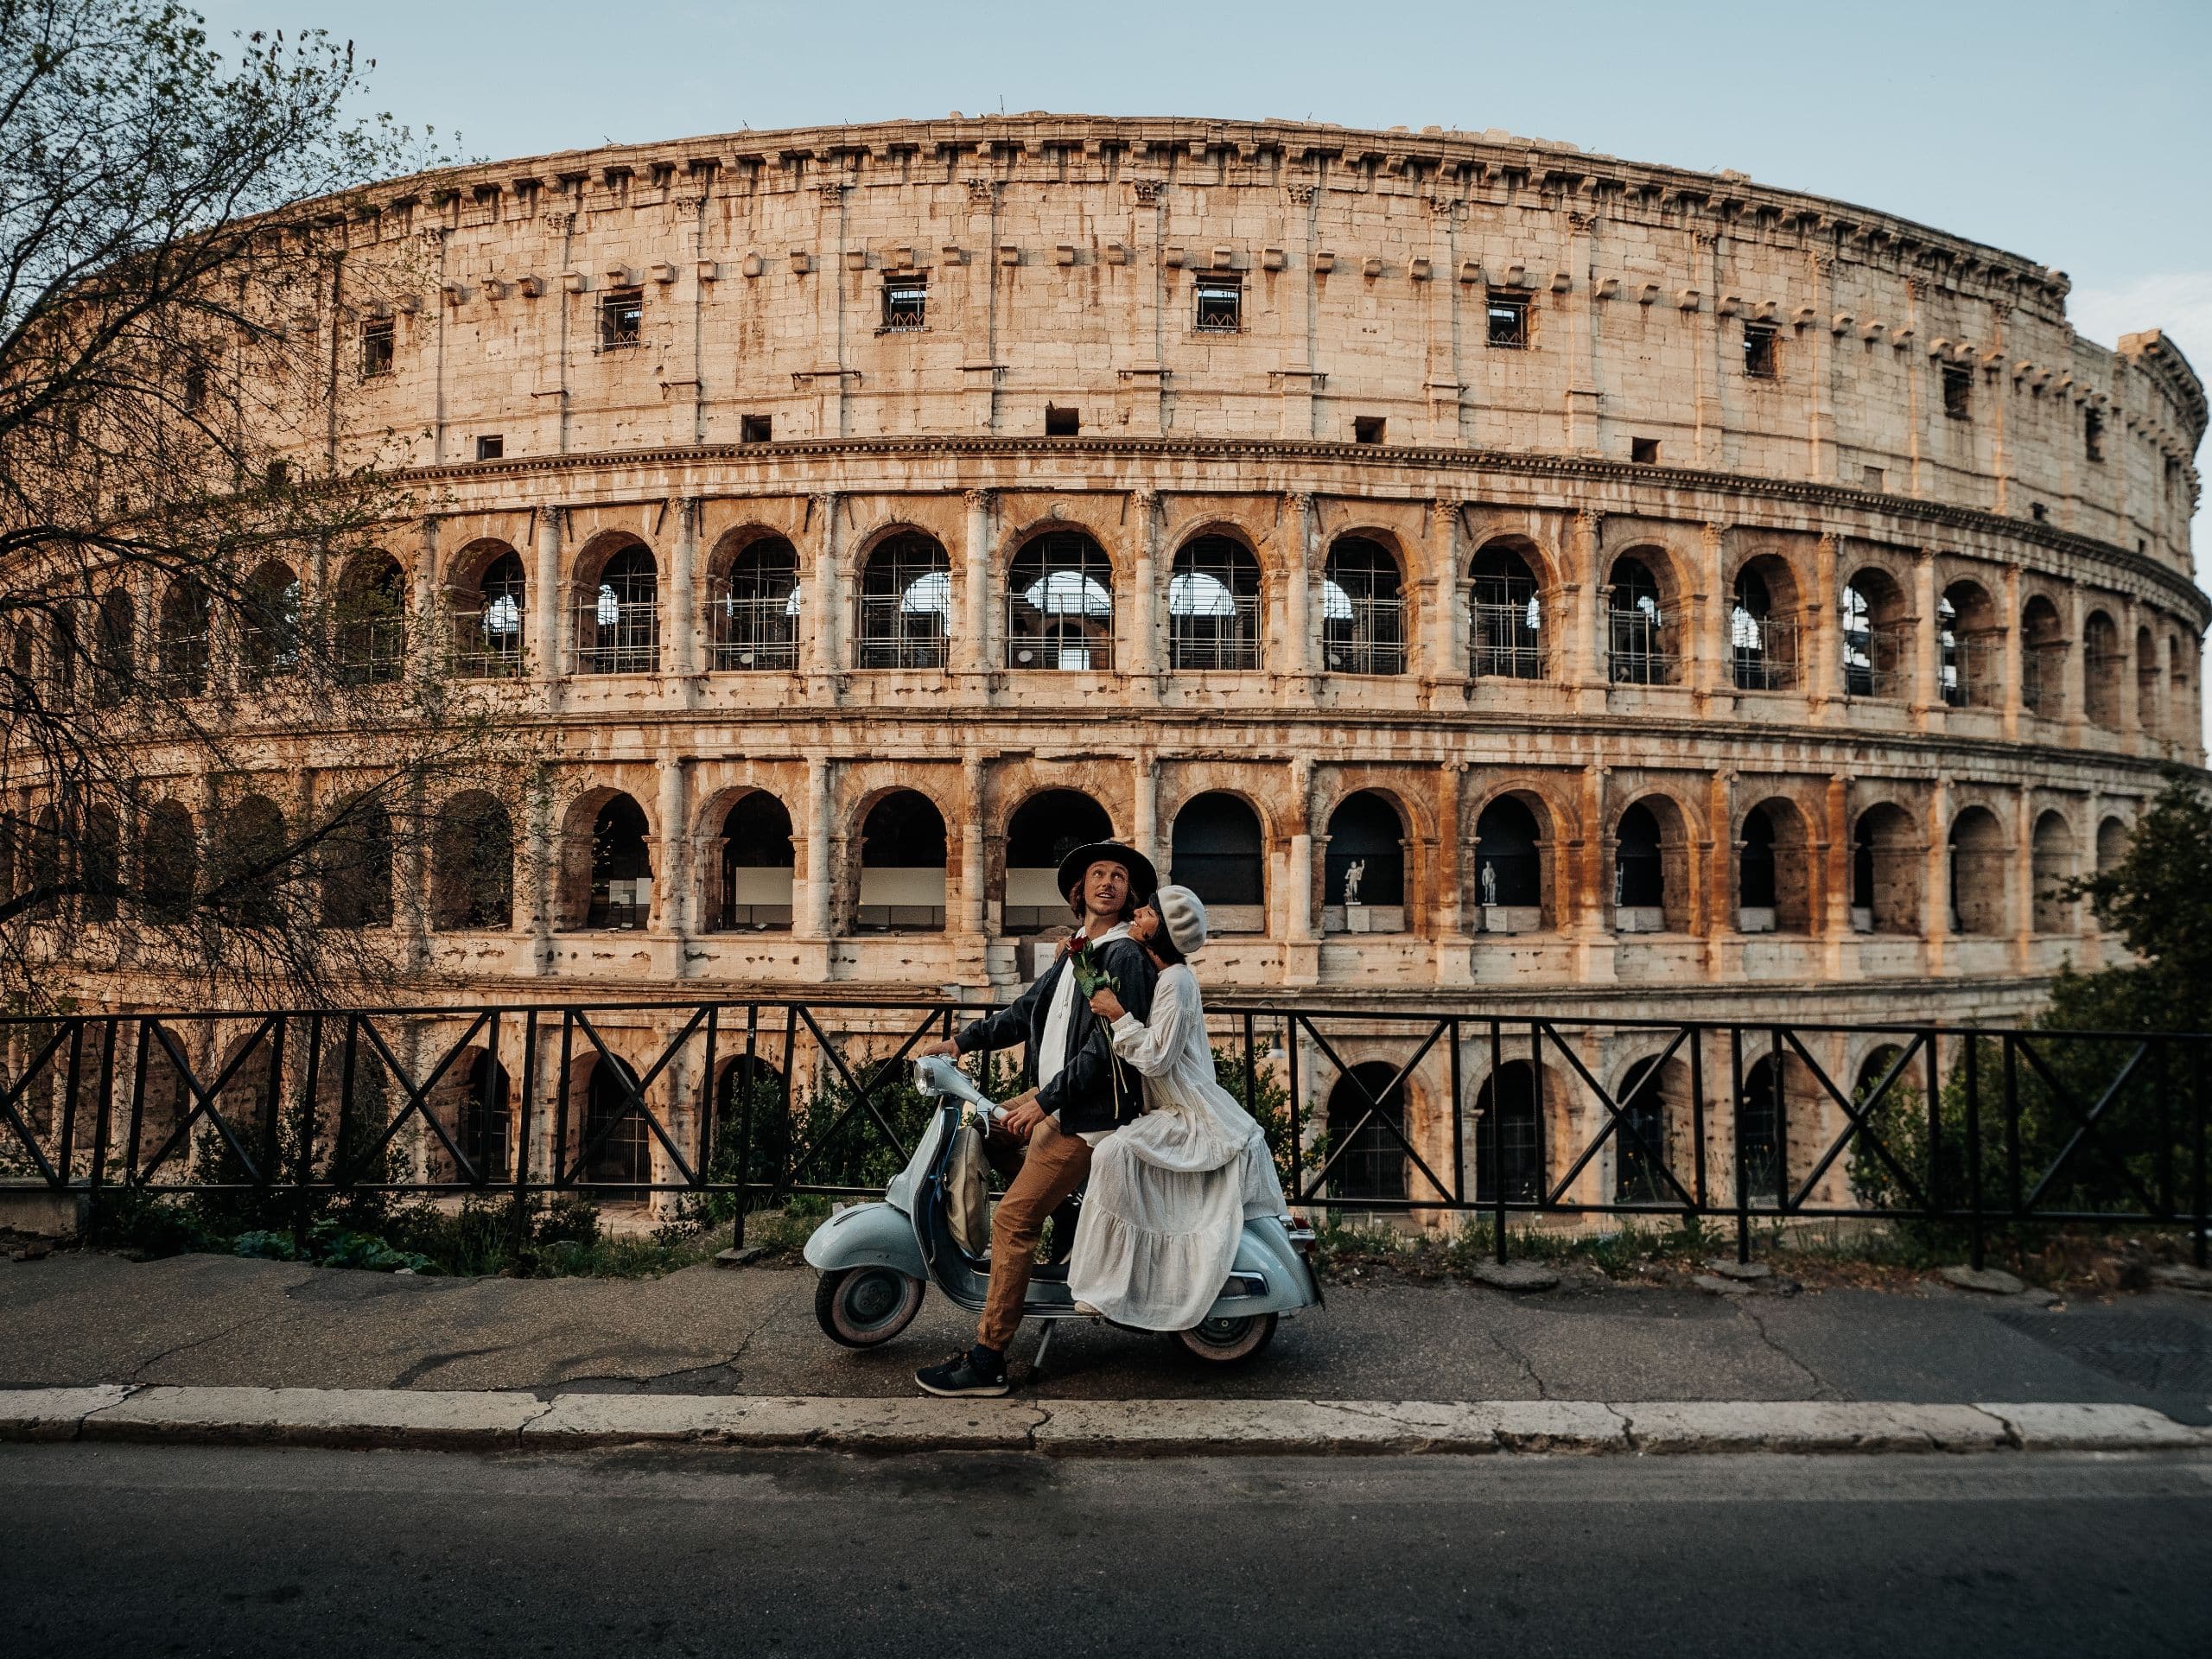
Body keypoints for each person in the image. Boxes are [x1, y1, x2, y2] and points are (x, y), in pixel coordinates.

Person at [910, 840, 1160, 1397]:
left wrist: (1044, 1103)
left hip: (1086, 1118)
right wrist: (959, 1043)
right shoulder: (1079, 953)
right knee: (992, 1130)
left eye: (1119, 877)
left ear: (1128, 894)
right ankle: (1071, 1214)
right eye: (1099, 874)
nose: (1108, 883)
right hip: (1059, 1103)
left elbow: (1105, 1053)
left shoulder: (1122, 958)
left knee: (1013, 1223)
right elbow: (1025, 1013)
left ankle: (989, 1357)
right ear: (1081, 890)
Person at [1068, 886, 1287, 1332]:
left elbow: (1157, 1057)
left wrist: (1116, 1015)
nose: (1139, 912)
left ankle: (1104, 1287)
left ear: (1161, 931)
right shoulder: (1165, 973)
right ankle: (1119, 1279)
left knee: (1114, 1154)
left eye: (1148, 912)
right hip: (1172, 1107)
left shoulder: (1177, 982)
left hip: (1190, 1114)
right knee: (1116, 1154)